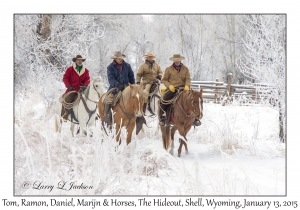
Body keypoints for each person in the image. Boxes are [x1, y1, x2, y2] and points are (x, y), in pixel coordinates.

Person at [159, 54, 200, 126]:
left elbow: (188, 79)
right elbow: (164, 80)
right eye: (175, 60)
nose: (177, 61)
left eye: (178, 60)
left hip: (184, 89)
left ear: (180, 60)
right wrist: (170, 86)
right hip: (172, 89)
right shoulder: (168, 69)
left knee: (193, 99)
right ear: (173, 60)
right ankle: (162, 117)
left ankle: (195, 118)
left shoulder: (185, 69)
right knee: (164, 98)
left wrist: (187, 85)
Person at [103, 51, 135, 125]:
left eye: (121, 58)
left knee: (137, 98)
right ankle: (107, 117)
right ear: (115, 58)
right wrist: (117, 85)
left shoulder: (127, 66)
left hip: (127, 87)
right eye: (119, 58)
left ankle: (139, 117)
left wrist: (133, 86)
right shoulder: (110, 67)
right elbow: (111, 79)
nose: (121, 59)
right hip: (115, 88)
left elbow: (131, 77)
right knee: (108, 100)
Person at [61, 55, 90, 121]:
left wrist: (85, 85)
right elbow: (65, 78)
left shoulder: (86, 70)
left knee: (90, 99)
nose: (80, 61)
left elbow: (87, 79)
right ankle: (66, 113)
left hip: (82, 89)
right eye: (78, 60)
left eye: (81, 60)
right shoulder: (70, 69)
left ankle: (91, 114)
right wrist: (68, 86)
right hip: (72, 89)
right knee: (67, 99)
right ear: (75, 61)